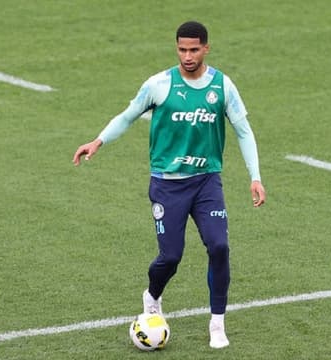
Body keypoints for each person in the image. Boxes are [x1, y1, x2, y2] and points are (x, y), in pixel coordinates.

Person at [72, 20, 266, 349]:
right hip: (167, 185)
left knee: (219, 247)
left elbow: (243, 131)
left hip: (207, 183)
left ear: (206, 48)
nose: (187, 56)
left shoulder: (222, 86)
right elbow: (127, 116)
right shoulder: (159, 84)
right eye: (181, 49)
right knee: (171, 257)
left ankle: (217, 324)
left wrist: (255, 177)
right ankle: (152, 295)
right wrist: (98, 141)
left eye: (193, 49)